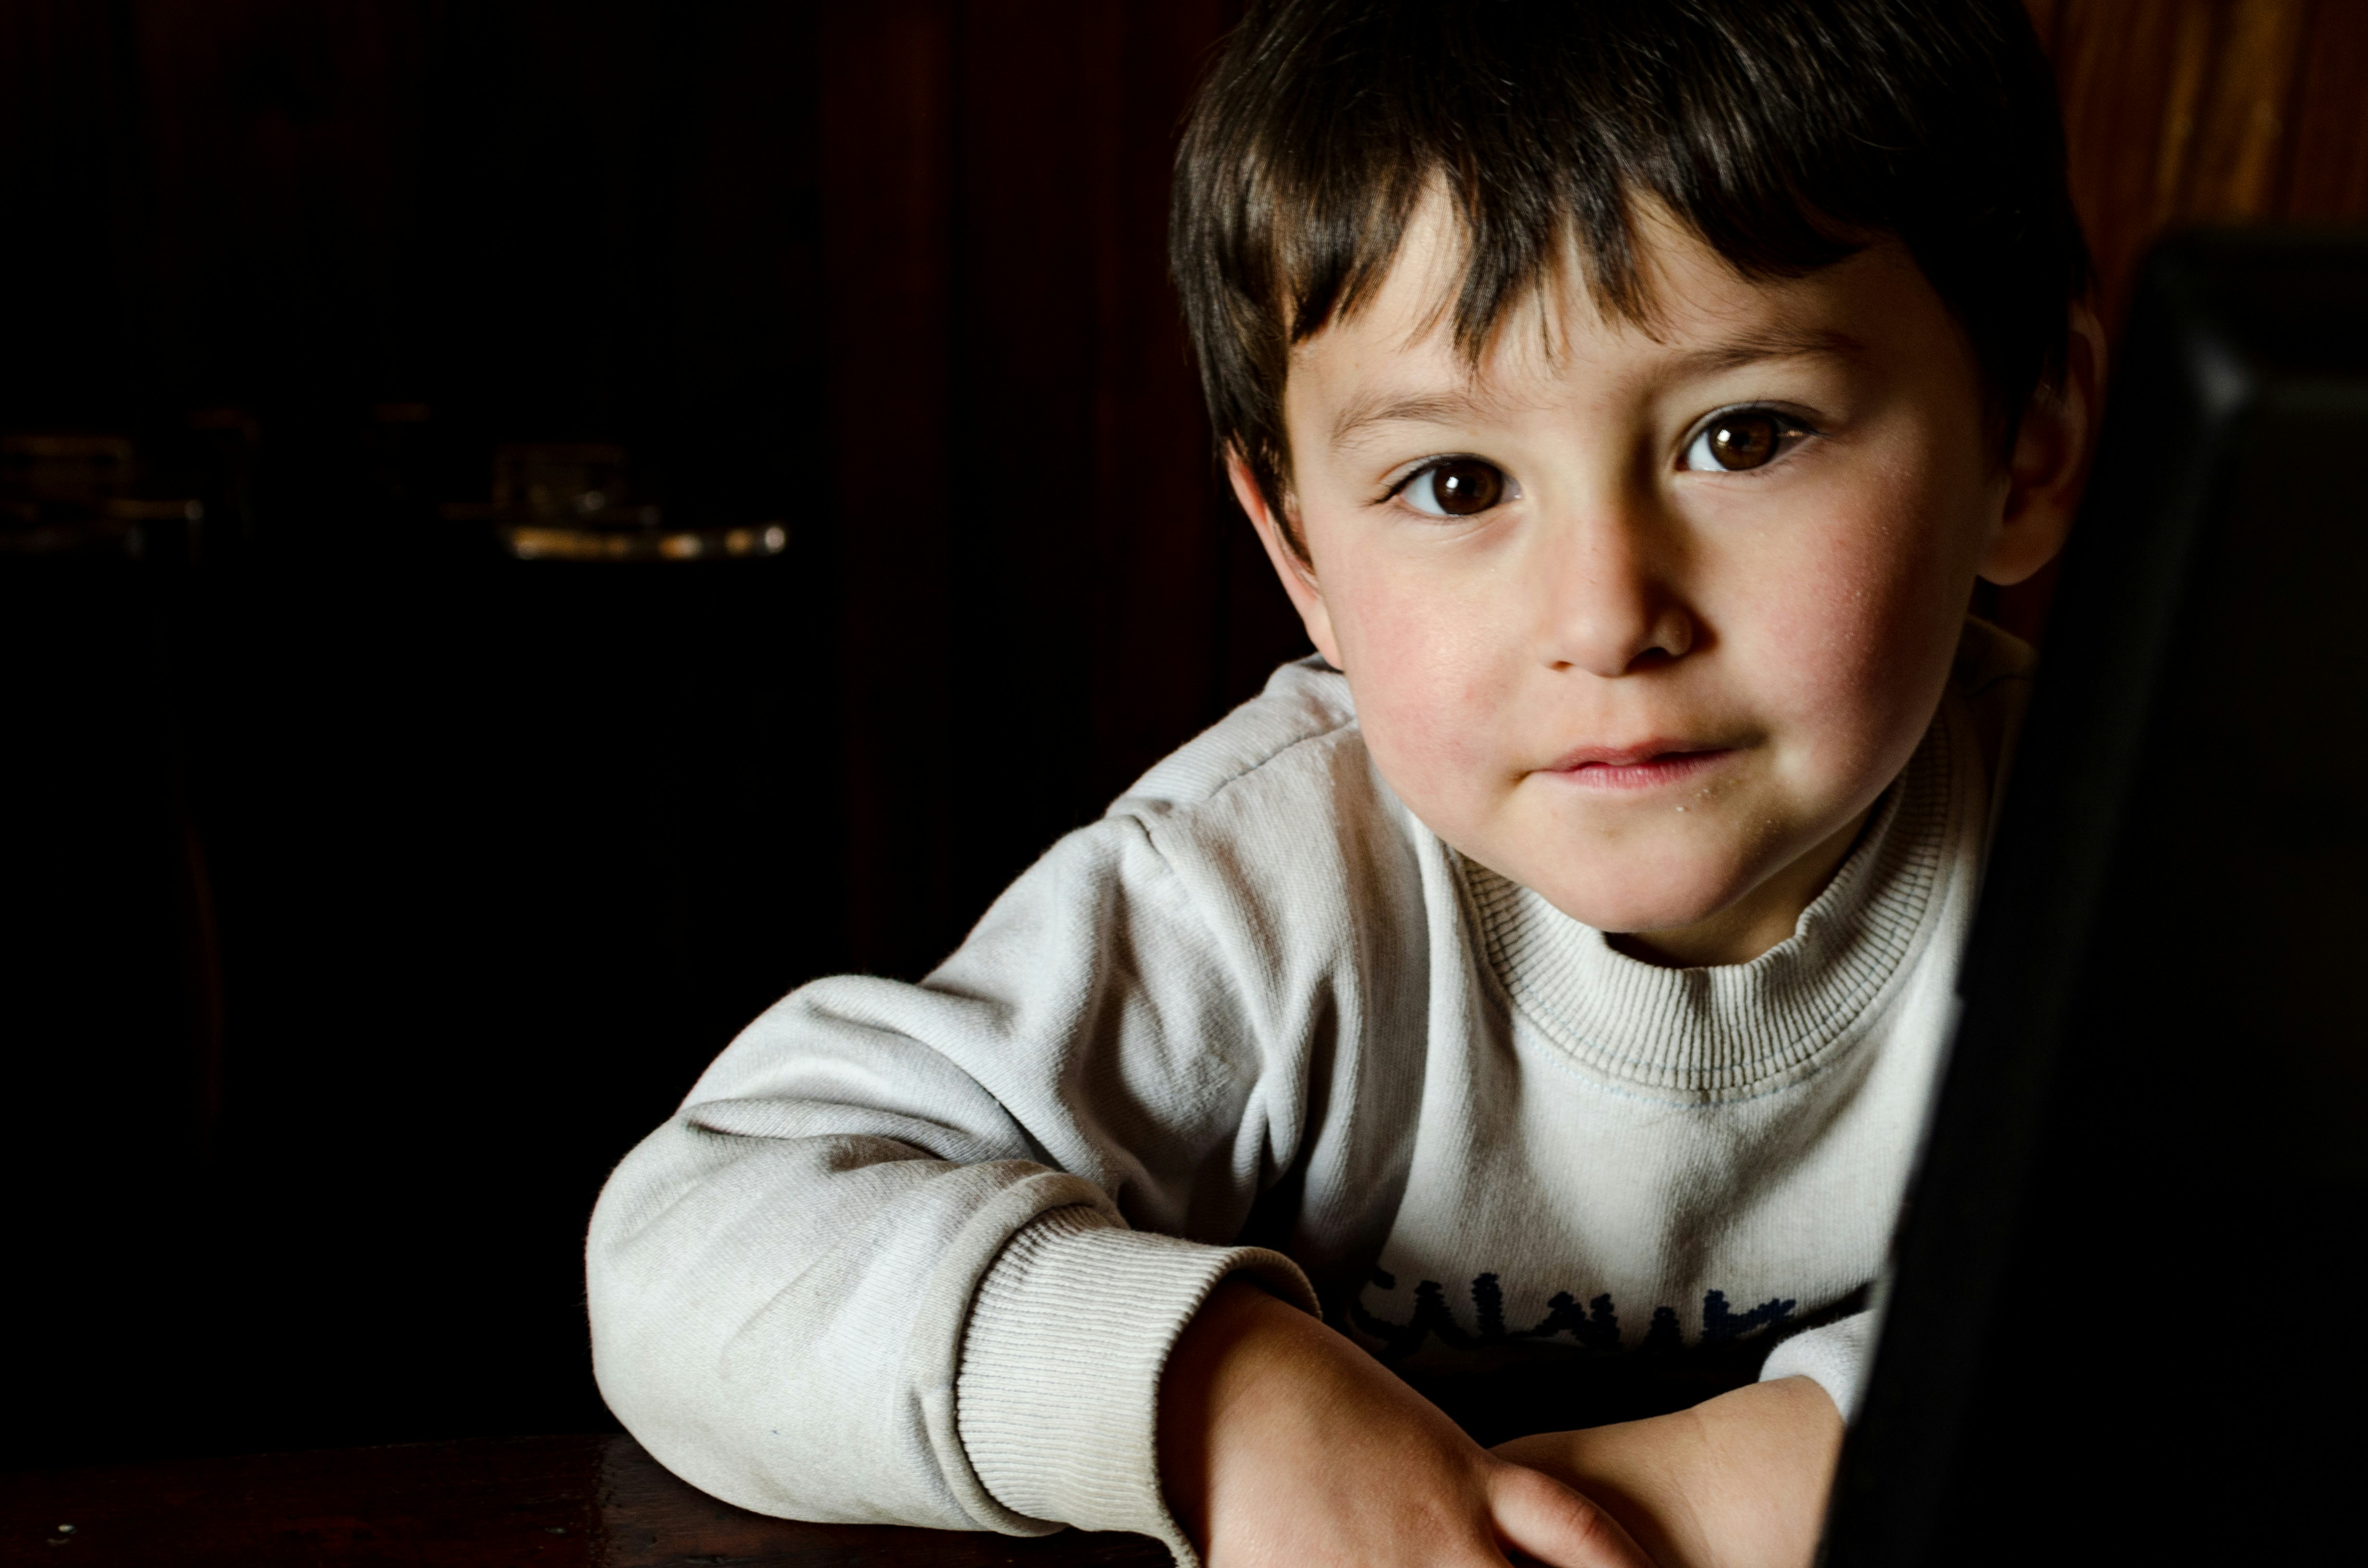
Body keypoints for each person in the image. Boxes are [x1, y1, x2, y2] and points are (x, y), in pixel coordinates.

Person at [586, 3, 2100, 1565]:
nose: (1604, 616)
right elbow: (698, 1240)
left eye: (1744, 434)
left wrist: (1775, 1470)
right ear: (1300, 546)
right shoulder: (1263, 884)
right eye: (1456, 483)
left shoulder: (2129, 869)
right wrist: (1209, 1398)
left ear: (2032, 437)